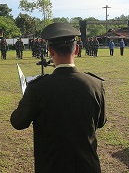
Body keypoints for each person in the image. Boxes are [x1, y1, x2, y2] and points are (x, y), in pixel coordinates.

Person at [11, 22, 106, 173]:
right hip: (87, 166)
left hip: (52, 166)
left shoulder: (37, 88)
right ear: (77, 50)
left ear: (50, 51)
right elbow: (100, 122)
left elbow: (18, 122)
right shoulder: (95, 84)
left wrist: (27, 99)